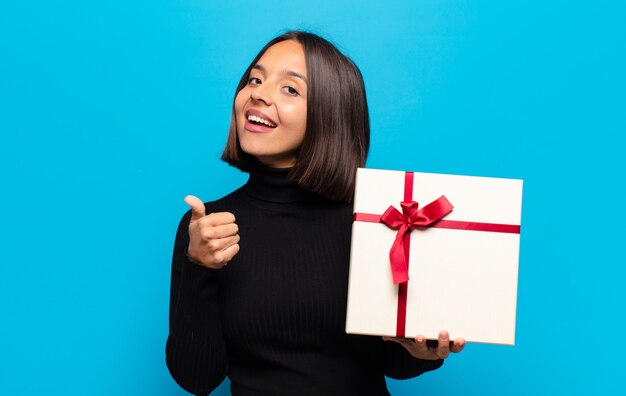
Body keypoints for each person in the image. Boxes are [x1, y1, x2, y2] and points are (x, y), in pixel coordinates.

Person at [166, 30, 465, 396]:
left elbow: (392, 364)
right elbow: (196, 378)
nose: (258, 93)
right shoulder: (207, 228)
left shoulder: (380, 221)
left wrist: (423, 352)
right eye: (255, 79)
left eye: (290, 89)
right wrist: (199, 268)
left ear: (330, 113)